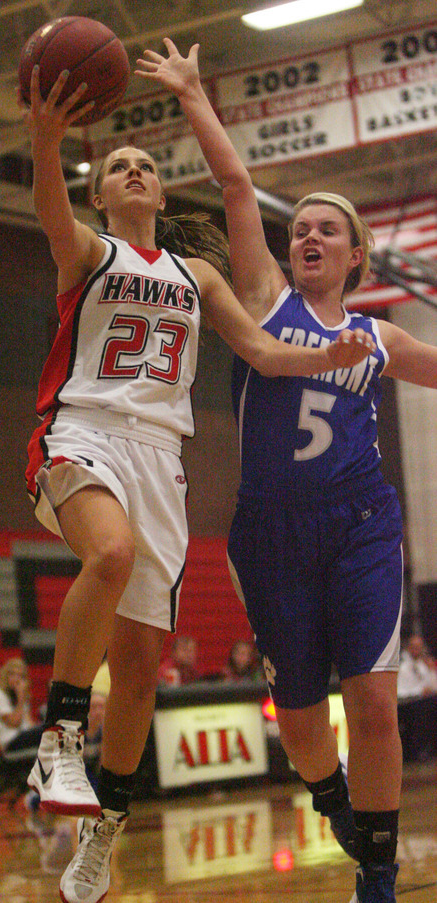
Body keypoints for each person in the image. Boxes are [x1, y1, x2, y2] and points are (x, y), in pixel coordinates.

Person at [19, 64, 375, 903]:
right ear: (101, 194)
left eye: (146, 163)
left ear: (159, 190)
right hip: (83, 431)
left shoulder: (197, 277)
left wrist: (324, 356)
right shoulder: (87, 249)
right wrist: (44, 137)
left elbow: (259, 348)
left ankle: (102, 835)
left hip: (162, 461)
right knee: (107, 555)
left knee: (139, 670)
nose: (136, 170)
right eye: (119, 166)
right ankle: (60, 735)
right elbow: (45, 205)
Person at [136, 38, 437, 903]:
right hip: (269, 532)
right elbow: (236, 186)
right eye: (299, 225)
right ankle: (330, 794)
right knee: (304, 723)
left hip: (361, 522)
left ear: (355, 256)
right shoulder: (265, 296)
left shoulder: (382, 338)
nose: (306, 234)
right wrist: (194, 93)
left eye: (325, 229)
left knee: (373, 703)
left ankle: (376, 874)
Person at [0, 657, 44, 753]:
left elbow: (28, 723)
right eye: (12, 674)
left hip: (23, 736)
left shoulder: (18, 694)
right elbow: (14, 723)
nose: (16, 679)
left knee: (52, 729)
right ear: (5, 675)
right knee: (48, 732)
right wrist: (21, 698)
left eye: (20, 676)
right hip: (10, 742)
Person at [397, 633, 437, 699]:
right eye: (414, 647)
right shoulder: (403, 668)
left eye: (419, 647)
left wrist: (431, 670)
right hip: (410, 705)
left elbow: (432, 686)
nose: (417, 650)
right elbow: (400, 692)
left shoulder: (422, 665)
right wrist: (420, 691)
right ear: (408, 647)